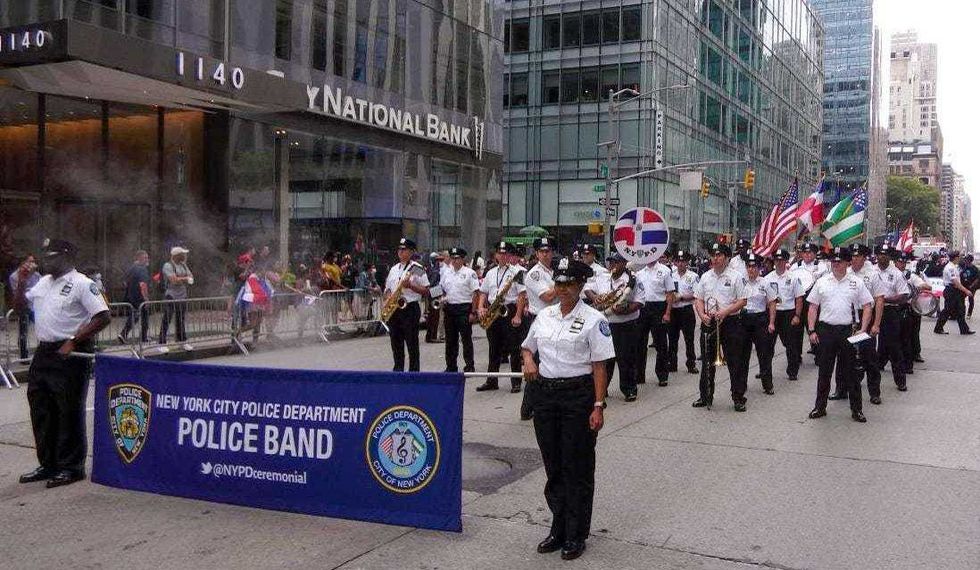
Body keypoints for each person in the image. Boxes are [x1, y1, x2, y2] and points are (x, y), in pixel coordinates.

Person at [520, 258, 614, 561]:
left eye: (569, 284)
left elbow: (600, 366)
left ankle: (576, 533)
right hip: (546, 396)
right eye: (559, 283)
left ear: (580, 285)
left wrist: (598, 405)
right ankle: (558, 527)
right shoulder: (544, 315)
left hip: (578, 396)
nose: (562, 289)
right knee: (554, 465)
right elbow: (527, 346)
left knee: (577, 467)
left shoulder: (594, 320)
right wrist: (529, 360)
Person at [14, 239, 110, 488]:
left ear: (67, 258)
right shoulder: (43, 282)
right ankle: (48, 464)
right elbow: (20, 308)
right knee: (41, 409)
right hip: (44, 351)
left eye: (53, 257)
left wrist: (74, 340)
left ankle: (71, 467)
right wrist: (22, 281)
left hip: (71, 352)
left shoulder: (82, 283)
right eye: (46, 257)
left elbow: (103, 316)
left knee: (68, 410)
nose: (47, 261)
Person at [806, 246, 873, 422]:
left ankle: (856, 410)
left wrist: (863, 328)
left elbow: (867, 305)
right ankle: (820, 407)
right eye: (833, 261)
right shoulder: (822, 281)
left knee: (852, 373)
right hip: (826, 330)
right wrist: (811, 330)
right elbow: (813, 307)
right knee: (824, 372)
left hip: (848, 331)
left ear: (847, 262)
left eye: (840, 261)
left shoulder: (856, 282)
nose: (836, 264)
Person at [692, 242, 749, 411]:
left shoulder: (736, 276)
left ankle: (738, 397)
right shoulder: (705, 276)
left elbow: (743, 301)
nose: (715, 258)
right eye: (713, 255)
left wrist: (725, 311)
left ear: (727, 257)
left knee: (735, 362)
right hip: (709, 322)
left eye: (719, 255)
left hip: (730, 322)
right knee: (707, 362)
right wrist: (701, 315)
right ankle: (705, 396)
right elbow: (698, 299)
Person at [586, 252, 641, 401]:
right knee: (604, 359)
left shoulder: (632, 280)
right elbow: (587, 288)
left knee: (626, 359)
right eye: (610, 262)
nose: (612, 265)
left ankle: (629, 389)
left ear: (623, 264)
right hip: (605, 324)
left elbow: (639, 301)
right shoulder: (603, 277)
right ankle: (602, 389)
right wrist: (595, 297)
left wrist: (625, 310)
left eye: (616, 262)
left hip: (625, 324)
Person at [475, 242, 525, 392]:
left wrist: (518, 315)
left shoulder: (518, 272)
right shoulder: (490, 272)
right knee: (493, 347)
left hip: (509, 309)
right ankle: (492, 380)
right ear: (496, 255)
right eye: (500, 253)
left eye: (505, 253)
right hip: (493, 310)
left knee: (514, 347)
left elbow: (522, 295)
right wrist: (480, 307)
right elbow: (483, 292)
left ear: (509, 255)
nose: (502, 256)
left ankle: (516, 381)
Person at [841, 243, 885, 402]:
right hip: (848, 317)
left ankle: (874, 392)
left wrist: (876, 324)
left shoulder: (872, 274)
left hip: (866, 315)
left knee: (869, 355)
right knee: (845, 355)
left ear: (864, 257)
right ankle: (841, 389)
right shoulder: (845, 272)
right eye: (852, 256)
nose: (854, 259)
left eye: (857, 256)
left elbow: (879, 300)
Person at [521, 237, 559, 419]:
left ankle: (543, 403)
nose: (546, 254)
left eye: (548, 251)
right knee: (535, 364)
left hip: (554, 319)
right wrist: (564, 283)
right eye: (542, 251)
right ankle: (527, 408)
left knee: (549, 363)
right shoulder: (535, 274)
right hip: (540, 320)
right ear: (536, 254)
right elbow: (547, 297)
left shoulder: (552, 271)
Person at [383, 238, 430, 371]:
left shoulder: (417, 268)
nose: (400, 252)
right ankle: (398, 370)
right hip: (394, 308)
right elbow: (388, 288)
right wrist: (387, 298)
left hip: (410, 308)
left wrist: (411, 286)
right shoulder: (393, 269)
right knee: (396, 342)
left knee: (411, 342)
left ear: (411, 252)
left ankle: (414, 371)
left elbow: (426, 290)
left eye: (404, 249)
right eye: (399, 249)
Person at [873, 245, 910, 398]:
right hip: (870, 310)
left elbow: (904, 295)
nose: (882, 257)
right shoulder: (870, 271)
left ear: (890, 257)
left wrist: (884, 299)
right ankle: (861, 376)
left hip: (889, 312)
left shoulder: (896, 274)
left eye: (886, 254)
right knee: (866, 345)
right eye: (880, 254)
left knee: (894, 346)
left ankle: (900, 380)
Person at [765, 249, 806, 381]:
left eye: (781, 260)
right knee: (767, 344)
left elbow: (799, 298)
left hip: (788, 313)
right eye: (776, 260)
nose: (778, 262)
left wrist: (797, 315)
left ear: (786, 261)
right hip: (773, 313)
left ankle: (792, 371)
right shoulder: (767, 278)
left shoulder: (793, 278)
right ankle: (765, 370)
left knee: (791, 344)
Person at [635, 253, 674, 386]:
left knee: (661, 343)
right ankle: (639, 375)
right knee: (640, 343)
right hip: (643, 308)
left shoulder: (665, 270)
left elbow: (670, 293)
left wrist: (667, 313)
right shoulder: (640, 273)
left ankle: (662, 375)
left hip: (659, 308)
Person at [741, 252, 777, 395]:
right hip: (744, 319)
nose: (751, 269)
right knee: (743, 355)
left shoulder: (765, 283)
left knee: (764, 354)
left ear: (759, 267)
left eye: (754, 266)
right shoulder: (740, 281)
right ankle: (741, 385)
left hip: (760, 320)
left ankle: (767, 384)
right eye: (749, 266)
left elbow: (772, 302)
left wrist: (772, 322)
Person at [440, 247, 479, 373]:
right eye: (452, 258)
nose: (454, 261)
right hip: (450, 308)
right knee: (450, 340)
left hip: (464, 308)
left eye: (457, 258)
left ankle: (469, 365)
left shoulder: (469, 273)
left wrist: (473, 312)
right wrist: (440, 297)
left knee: (466, 339)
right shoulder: (447, 273)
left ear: (463, 259)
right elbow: (442, 289)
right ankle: (451, 366)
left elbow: (475, 293)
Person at [895, 252, 929, 373]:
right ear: (895, 262)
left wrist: (920, 286)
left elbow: (927, 286)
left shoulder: (910, 276)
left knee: (911, 335)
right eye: (900, 262)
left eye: (904, 262)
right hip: (894, 308)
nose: (902, 264)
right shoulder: (891, 274)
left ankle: (913, 357)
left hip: (909, 308)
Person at [668, 250, 699, 374]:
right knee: (672, 339)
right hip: (673, 310)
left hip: (686, 310)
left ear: (687, 262)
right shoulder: (670, 275)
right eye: (678, 261)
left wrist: (681, 297)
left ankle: (691, 364)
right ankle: (672, 363)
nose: (680, 264)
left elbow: (696, 294)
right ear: (675, 262)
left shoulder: (693, 276)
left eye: (683, 261)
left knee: (689, 339)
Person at [158, 246, 194, 352]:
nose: (185, 256)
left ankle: (182, 341)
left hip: (182, 295)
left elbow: (191, 277)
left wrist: (182, 279)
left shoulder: (183, 265)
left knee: (180, 319)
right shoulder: (168, 265)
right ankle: (161, 343)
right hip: (171, 295)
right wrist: (185, 279)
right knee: (167, 318)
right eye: (183, 254)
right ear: (177, 255)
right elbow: (173, 280)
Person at [934, 250, 974, 335]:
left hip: (955, 291)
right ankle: (938, 328)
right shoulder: (950, 268)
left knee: (960, 310)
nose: (960, 258)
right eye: (959, 257)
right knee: (947, 310)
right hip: (951, 291)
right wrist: (966, 291)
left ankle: (964, 330)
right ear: (956, 258)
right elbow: (955, 282)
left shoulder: (953, 266)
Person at [9, 254, 41, 360]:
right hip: (24, 305)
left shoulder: (36, 275)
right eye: (30, 261)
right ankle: (23, 355)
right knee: (23, 330)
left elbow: (40, 289)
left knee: (41, 326)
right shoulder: (14, 276)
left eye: (33, 261)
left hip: (35, 305)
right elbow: (18, 292)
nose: (32, 264)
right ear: (23, 263)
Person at [118, 250, 151, 344]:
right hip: (139, 297)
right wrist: (146, 298)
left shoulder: (131, 268)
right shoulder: (142, 269)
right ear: (139, 258)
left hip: (131, 296)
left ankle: (125, 334)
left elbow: (124, 282)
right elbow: (143, 284)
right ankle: (142, 337)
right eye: (145, 258)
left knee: (136, 315)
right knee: (143, 316)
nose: (147, 259)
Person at [425, 252, 445, 343]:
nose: (439, 262)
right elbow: (433, 283)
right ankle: (432, 336)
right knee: (434, 315)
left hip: (434, 292)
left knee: (434, 315)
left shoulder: (433, 268)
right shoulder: (434, 270)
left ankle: (432, 335)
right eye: (437, 260)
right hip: (434, 292)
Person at [959, 254, 978, 318]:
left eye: (966, 260)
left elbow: (977, 279)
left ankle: (969, 314)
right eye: (965, 259)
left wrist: (972, 286)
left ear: (970, 260)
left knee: (971, 300)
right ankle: (961, 312)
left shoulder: (975, 269)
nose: (965, 261)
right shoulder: (963, 267)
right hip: (964, 286)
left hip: (972, 287)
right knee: (961, 299)